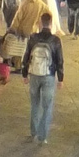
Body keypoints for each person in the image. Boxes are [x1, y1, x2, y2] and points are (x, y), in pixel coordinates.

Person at [20, 12, 63, 142]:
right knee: (47, 106)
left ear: (40, 23)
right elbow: (59, 60)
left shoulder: (33, 38)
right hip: (48, 76)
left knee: (34, 104)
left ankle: (33, 132)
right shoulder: (55, 40)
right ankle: (42, 136)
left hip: (34, 74)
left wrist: (24, 74)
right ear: (51, 23)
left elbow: (26, 56)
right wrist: (60, 78)